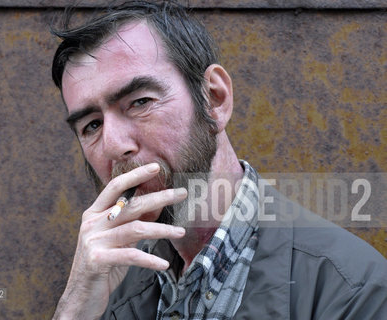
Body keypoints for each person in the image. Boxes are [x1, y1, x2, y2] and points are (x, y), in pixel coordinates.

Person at [50, 1, 387, 319]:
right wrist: (75, 307)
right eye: (91, 124)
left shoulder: (351, 288)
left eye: (139, 102)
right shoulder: (106, 283)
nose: (113, 145)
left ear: (214, 99)